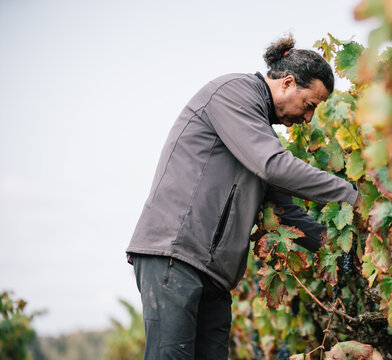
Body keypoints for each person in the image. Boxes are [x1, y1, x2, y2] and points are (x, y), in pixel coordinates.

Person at [126, 35, 361, 360]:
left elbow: (285, 214)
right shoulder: (234, 93)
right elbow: (273, 166)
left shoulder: (259, 130)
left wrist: (343, 248)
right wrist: (353, 196)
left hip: (214, 275)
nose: (308, 119)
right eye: (309, 106)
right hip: (175, 255)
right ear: (288, 83)